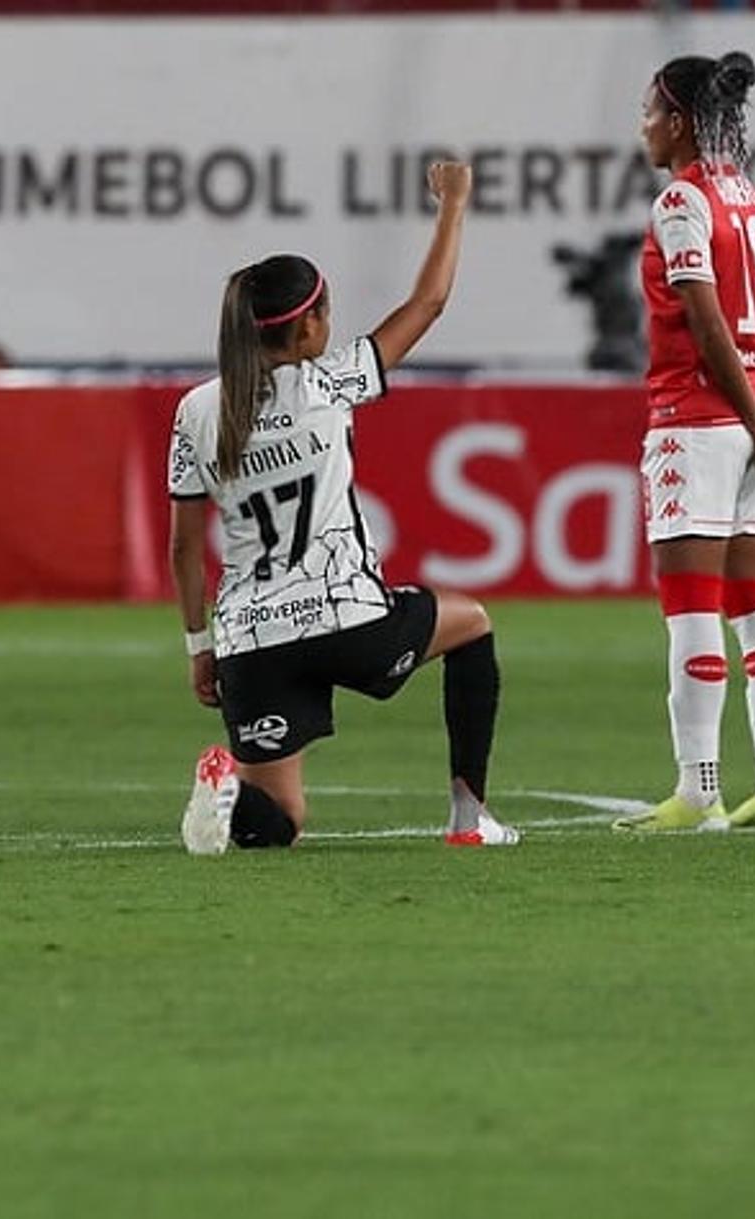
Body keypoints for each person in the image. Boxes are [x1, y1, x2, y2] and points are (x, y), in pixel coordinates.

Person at [169, 162, 518, 854]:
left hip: (251, 640)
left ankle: (231, 794)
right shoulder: (328, 382)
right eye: (326, 312)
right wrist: (453, 203)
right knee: (473, 625)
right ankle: (468, 815)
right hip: (347, 621)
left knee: (279, 824)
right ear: (306, 330)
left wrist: (199, 648)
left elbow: (184, 547)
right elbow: (428, 302)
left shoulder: (197, 410)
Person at [613, 52, 755, 832]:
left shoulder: (682, 202)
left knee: (691, 605)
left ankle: (699, 791)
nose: (644, 126)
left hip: (696, 423)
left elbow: (705, 324)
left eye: (651, 112)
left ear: (681, 121)